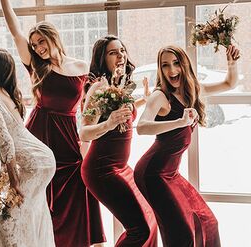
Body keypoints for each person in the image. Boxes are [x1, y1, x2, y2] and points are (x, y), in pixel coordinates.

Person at [0, 1, 105, 246]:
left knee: (79, 183)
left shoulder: (82, 68)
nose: (37, 48)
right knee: (39, 190)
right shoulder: (36, 65)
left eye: (41, 42)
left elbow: (91, 107)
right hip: (39, 132)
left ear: (52, 38)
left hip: (68, 134)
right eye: (34, 45)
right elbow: (16, 32)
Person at [134, 44, 240, 246]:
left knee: (207, 221)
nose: (172, 70)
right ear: (160, 69)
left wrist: (232, 63)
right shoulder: (160, 96)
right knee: (181, 234)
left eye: (176, 63)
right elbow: (141, 127)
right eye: (165, 65)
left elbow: (229, 83)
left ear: (184, 65)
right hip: (153, 174)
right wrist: (179, 122)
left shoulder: (191, 90)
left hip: (170, 173)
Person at [0, 48, 56, 247]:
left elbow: (5, 140)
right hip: (42, 159)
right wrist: (5, 175)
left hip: (34, 163)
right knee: (31, 217)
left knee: (8, 223)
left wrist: (13, 181)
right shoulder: (5, 93)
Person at [79, 35, 158, 247]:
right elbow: (84, 132)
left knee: (150, 219)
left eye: (122, 50)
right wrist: (108, 124)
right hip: (101, 170)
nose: (120, 55)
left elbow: (122, 112)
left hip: (120, 167)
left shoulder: (121, 85)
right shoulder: (99, 88)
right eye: (113, 52)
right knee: (139, 230)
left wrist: (144, 99)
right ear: (102, 59)